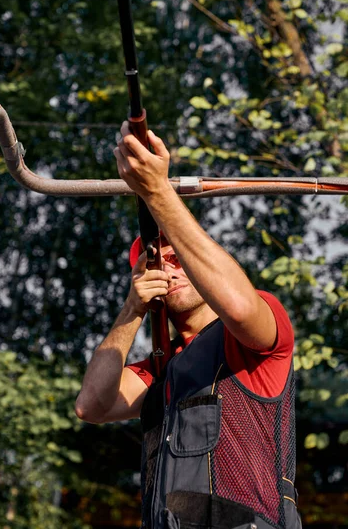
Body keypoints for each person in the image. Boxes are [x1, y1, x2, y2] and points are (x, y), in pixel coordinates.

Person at [75, 122, 301, 529]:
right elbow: (91, 405)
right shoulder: (161, 370)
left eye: (179, 255)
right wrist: (132, 308)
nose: (170, 266)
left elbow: (235, 305)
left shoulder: (251, 331)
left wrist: (157, 191)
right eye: (157, 261)